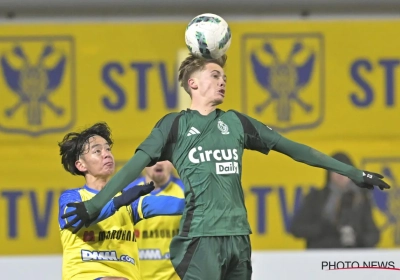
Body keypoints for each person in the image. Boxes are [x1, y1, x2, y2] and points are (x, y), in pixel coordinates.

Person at [62, 54, 390, 280]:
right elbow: (132, 167)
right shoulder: (172, 127)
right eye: (215, 75)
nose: (223, 82)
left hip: (239, 236)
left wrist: (353, 173)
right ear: (193, 83)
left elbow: (295, 149)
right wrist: (94, 204)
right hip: (201, 237)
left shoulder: (236, 123)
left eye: (224, 77)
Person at [58, 122, 185, 280]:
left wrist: (208, 200)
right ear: (81, 165)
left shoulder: (130, 203)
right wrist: (118, 202)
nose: (106, 154)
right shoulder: (72, 197)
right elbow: (76, 218)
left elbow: (179, 205)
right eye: (97, 151)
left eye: (108, 149)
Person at [290, 152, 380, 249]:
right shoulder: (316, 197)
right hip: (322, 255)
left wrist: (358, 239)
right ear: (329, 173)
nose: (340, 174)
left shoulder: (361, 198)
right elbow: (297, 228)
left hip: (353, 257)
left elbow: (373, 234)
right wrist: (323, 229)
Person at [129, 161, 184, 280]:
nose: (158, 163)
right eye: (154, 158)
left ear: (173, 162)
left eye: (164, 158)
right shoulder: (126, 193)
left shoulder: (187, 192)